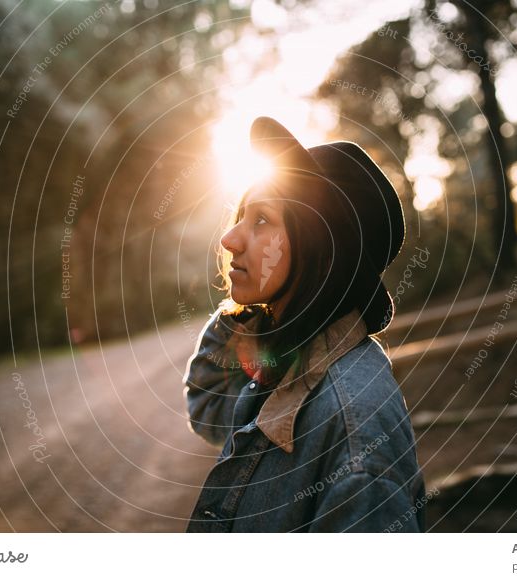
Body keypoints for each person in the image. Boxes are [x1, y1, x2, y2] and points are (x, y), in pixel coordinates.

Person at [182, 116, 426, 532]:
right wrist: (247, 317)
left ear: (321, 249)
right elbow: (208, 405)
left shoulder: (355, 435)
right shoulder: (290, 360)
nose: (229, 239)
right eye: (241, 214)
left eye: (261, 220)